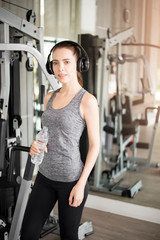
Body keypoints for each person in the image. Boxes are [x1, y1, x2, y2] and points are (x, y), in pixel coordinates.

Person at [20, 40, 100, 240]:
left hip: (71, 181)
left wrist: (81, 184)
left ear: (78, 64)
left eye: (66, 62)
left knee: (68, 236)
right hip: (45, 177)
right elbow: (47, 133)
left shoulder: (87, 101)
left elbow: (95, 145)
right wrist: (36, 145)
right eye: (55, 63)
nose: (60, 68)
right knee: (27, 233)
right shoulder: (49, 97)